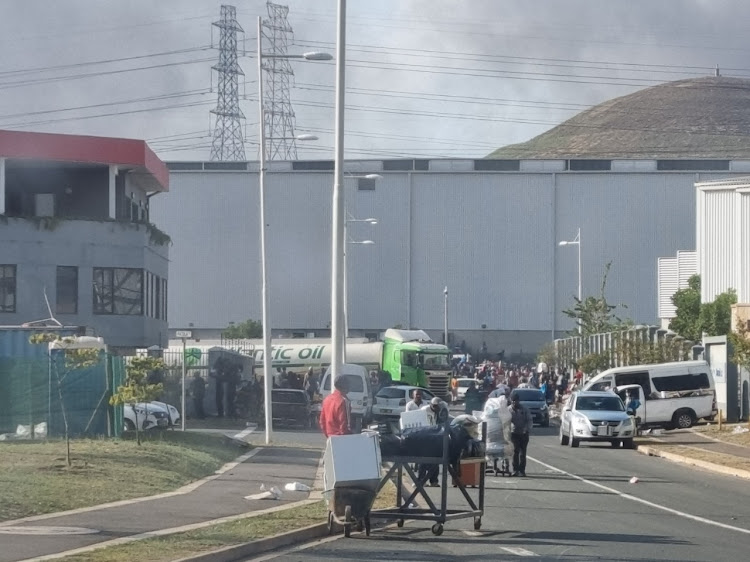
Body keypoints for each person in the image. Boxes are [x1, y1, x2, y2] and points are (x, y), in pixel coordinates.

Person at [509, 393, 533, 477]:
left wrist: (526, 429)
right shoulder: (509, 410)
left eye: (516, 401)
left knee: (523, 453)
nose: (515, 403)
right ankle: (515, 470)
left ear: (519, 401)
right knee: (515, 451)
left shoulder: (524, 409)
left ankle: (522, 470)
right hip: (513, 434)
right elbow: (506, 422)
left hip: (523, 434)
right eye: (513, 401)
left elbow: (529, 420)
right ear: (511, 401)